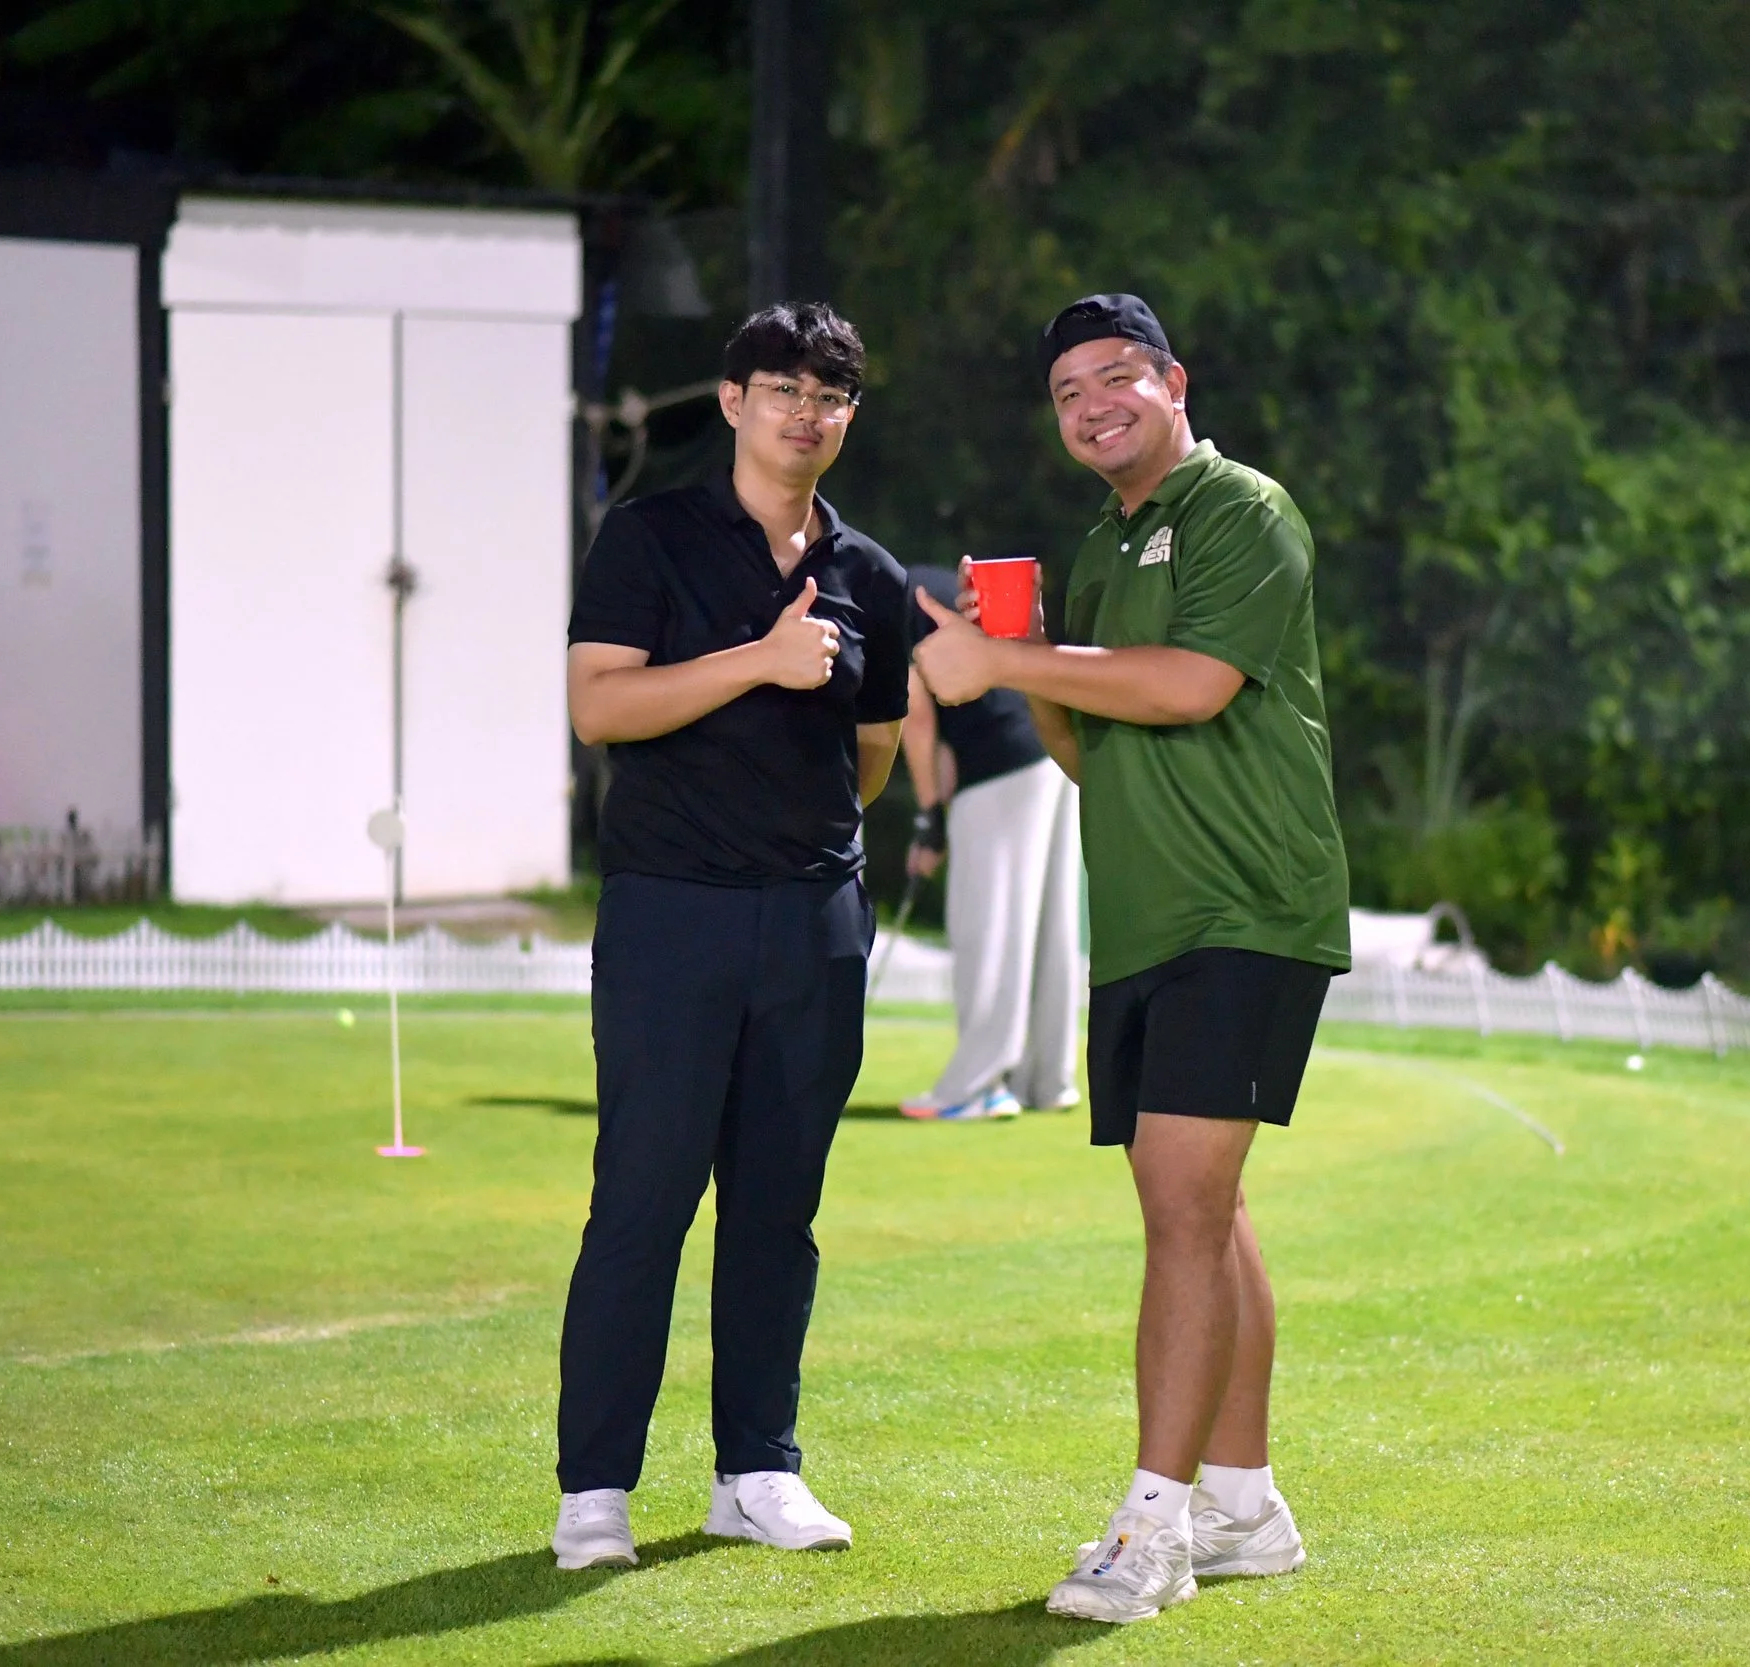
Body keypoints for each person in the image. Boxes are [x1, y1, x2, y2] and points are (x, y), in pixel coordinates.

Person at [913, 293, 1351, 1624]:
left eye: (1115, 378)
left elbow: (1191, 683)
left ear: (1172, 380)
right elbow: (1085, 746)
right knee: (1204, 1212)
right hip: (1150, 917)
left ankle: (1152, 1526)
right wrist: (1029, 662)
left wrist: (1007, 651)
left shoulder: (1241, 510)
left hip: (1252, 906)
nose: (1092, 405)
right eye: (1066, 393)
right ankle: (1247, 1506)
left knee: (1180, 1205)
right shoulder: (1103, 545)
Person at [550, 302, 908, 1570]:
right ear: (732, 400)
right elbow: (600, 706)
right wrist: (755, 661)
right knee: (642, 1202)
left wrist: (799, 843)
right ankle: (594, 1489)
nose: (808, 412)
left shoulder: (868, 571)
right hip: (670, 913)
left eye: (833, 395)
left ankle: (756, 1469)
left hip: (812, 922)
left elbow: (870, 753)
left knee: (777, 1212)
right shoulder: (650, 535)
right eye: (785, 388)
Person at [895, 562, 1083, 1121]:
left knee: (988, 928)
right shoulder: (921, 583)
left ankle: (977, 1086)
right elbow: (948, 739)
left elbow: (917, 715)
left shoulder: (873, 600)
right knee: (1050, 927)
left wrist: (929, 816)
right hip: (1049, 751)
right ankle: (1045, 1081)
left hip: (1000, 766)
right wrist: (942, 819)